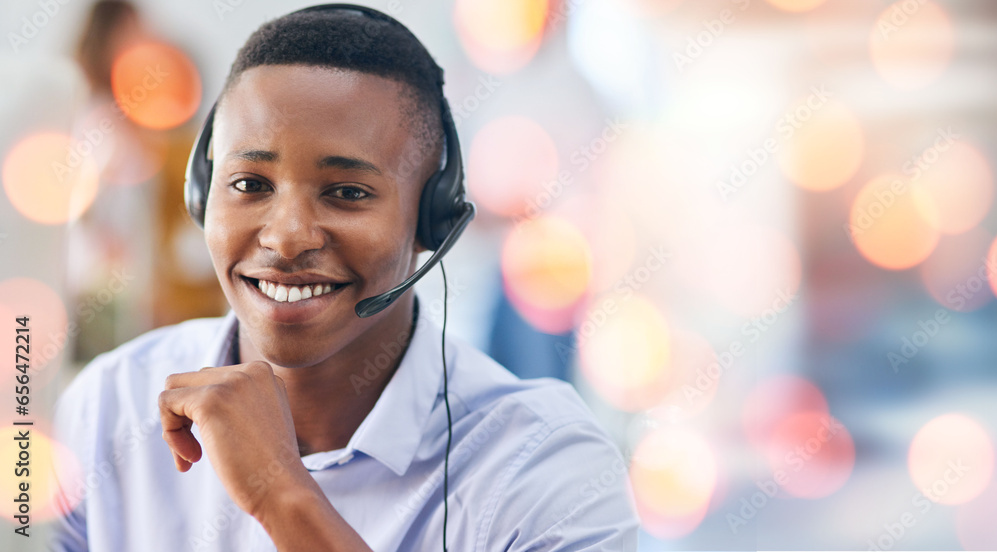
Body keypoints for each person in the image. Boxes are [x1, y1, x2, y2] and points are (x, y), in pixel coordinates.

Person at [50, 5, 639, 551]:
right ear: (202, 196)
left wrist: (282, 495)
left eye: (348, 192)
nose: (286, 237)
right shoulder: (107, 408)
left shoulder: (547, 468)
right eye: (250, 184)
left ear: (432, 218)